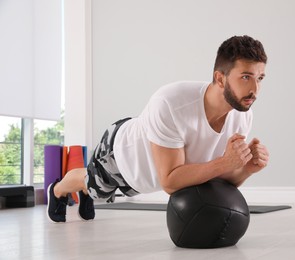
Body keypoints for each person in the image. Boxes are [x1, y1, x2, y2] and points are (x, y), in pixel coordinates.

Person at [47, 35, 270, 223]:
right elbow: (171, 182)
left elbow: (217, 181)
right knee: (92, 183)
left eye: (260, 78)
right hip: (121, 154)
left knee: (96, 191)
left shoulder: (242, 116)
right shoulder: (171, 103)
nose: (255, 89)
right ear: (220, 78)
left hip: (147, 178)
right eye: (245, 77)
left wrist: (246, 168)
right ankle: (57, 190)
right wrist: (224, 163)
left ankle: (87, 192)